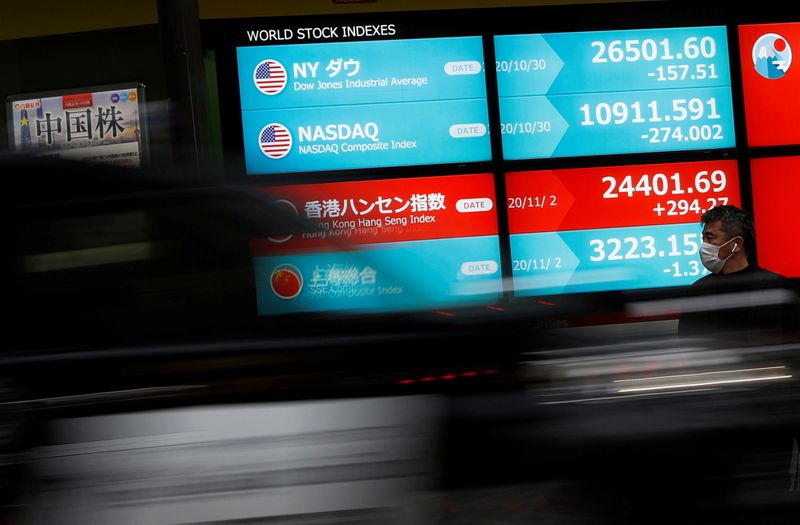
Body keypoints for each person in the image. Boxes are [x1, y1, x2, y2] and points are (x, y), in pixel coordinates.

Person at [678, 205, 800, 343]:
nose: (704, 245)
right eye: (703, 239)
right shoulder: (698, 291)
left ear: (736, 244)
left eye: (710, 238)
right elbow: (688, 345)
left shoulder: (777, 287)